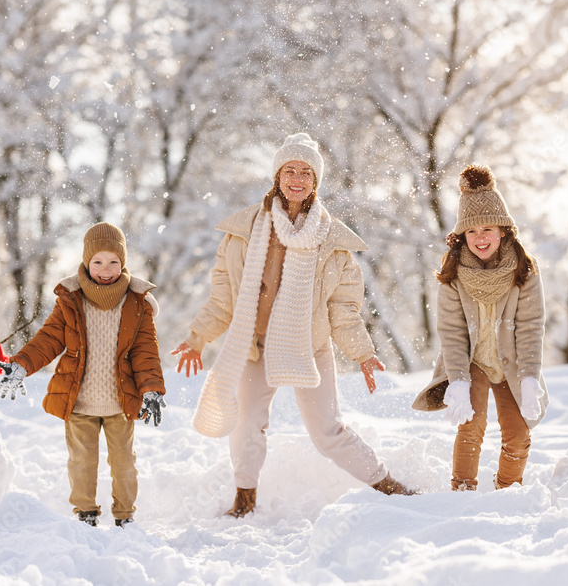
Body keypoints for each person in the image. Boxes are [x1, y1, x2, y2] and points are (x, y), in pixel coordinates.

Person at [173, 132, 413, 517]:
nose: (297, 178)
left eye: (306, 172)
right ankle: (244, 501)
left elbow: (344, 310)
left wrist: (363, 354)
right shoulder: (244, 233)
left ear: (315, 181)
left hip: (309, 346)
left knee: (327, 433)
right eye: (290, 170)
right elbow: (224, 299)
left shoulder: (331, 241)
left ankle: (388, 484)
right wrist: (197, 338)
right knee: (247, 424)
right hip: (256, 346)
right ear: (277, 176)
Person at [0, 222, 166, 527]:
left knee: (124, 464)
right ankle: (86, 514)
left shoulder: (137, 304)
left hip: (121, 402)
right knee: (82, 462)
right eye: (97, 261)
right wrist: (21, 365)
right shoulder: (71, 300)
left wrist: (151, 389)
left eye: (113, 261)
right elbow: (47, 340)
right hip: (79, 401)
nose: (105, 268)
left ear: (122, 262)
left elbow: (145, 352)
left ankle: (125, 516)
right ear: (87, 261)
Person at [413, 164, 548, 491]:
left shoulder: (524, 272)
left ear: (503, 230)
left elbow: (531, 326)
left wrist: (529, 375)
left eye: (488, 229)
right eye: (472, 231)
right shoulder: (453, 274)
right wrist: (457, 380)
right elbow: (452, 333)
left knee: (517, 434)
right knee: (471, 426)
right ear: (462, 236)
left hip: (511, 363)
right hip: (471, 362)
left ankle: (507, 492)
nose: (480, 238)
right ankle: (462, 490)